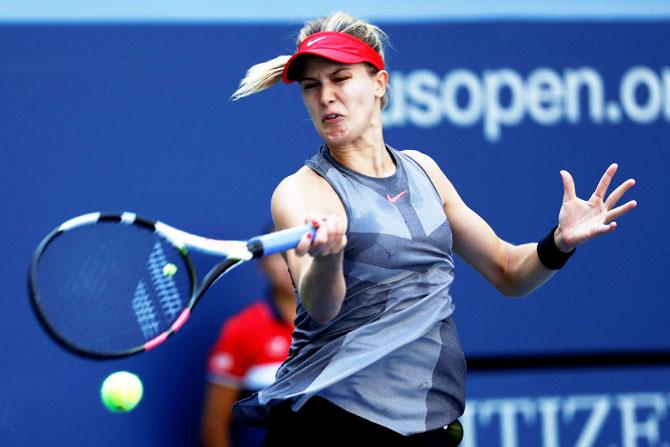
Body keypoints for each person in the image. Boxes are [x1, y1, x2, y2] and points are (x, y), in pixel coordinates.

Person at [230, 12, 637, 447]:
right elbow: (320, 305)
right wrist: (329, 260)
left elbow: (507, 271)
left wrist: (557, 244)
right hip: (330, 422)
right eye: (312, 86)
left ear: (379, 83)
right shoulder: (299, 190)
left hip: (428, 427)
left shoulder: (424, 169)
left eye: (341, 79)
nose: (326, 96)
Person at [200, 250, 295, 447]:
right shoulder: (242, 329)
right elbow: (214, 427)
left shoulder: (345, 322)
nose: (291, 262)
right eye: (281, 254)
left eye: (300, 252)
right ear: (263, 265)